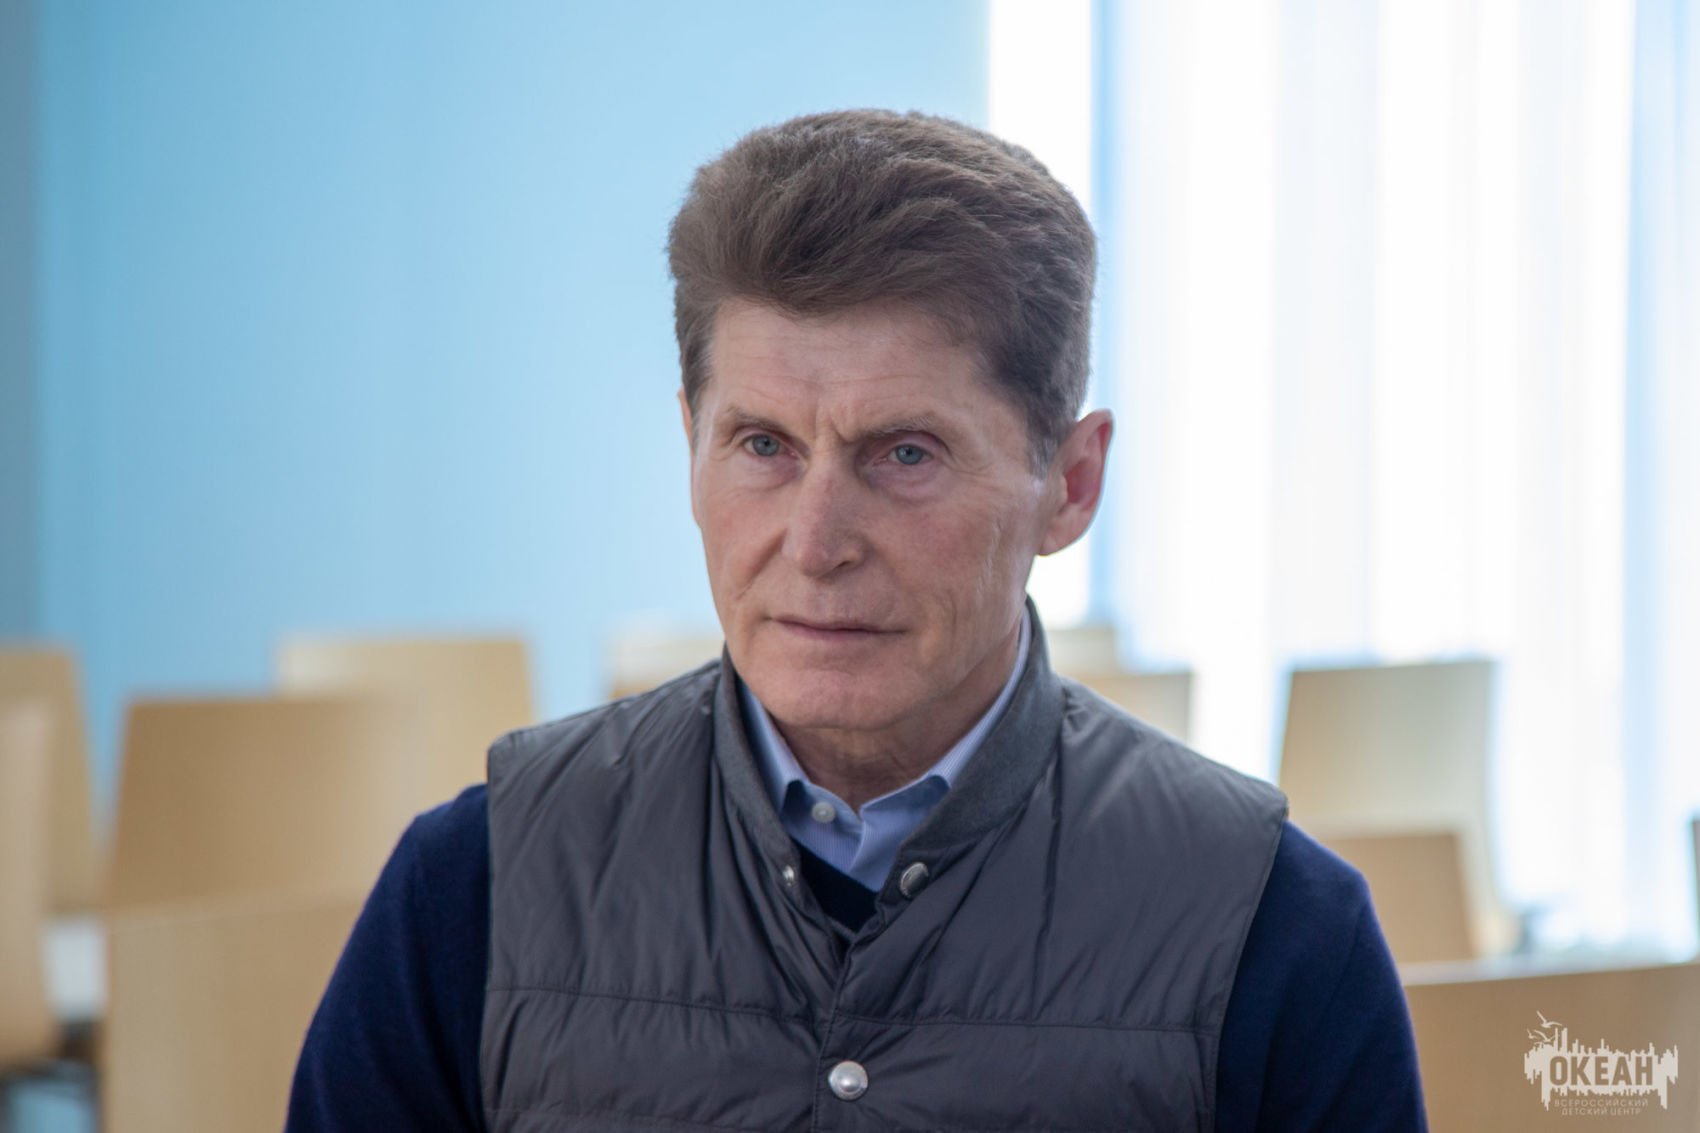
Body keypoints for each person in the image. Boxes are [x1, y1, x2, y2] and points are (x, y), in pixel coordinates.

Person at [287, 109, 1427, 1131]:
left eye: (905, 453)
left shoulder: (1274, 926)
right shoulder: (473, 885)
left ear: (1071, 486)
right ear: (690, 446)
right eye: (762, 446)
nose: (816, 540)